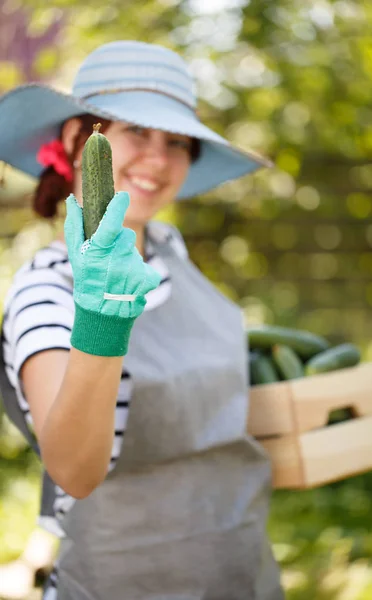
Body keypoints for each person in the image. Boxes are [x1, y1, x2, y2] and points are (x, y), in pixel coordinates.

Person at [0, 40, 284, 599]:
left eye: (176, 142)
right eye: (135, 132)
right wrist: (102, 318)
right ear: (75, 143)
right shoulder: (47, 291)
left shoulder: (169, 248)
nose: (158, 159)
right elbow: (76, 472)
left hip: (240, 570)